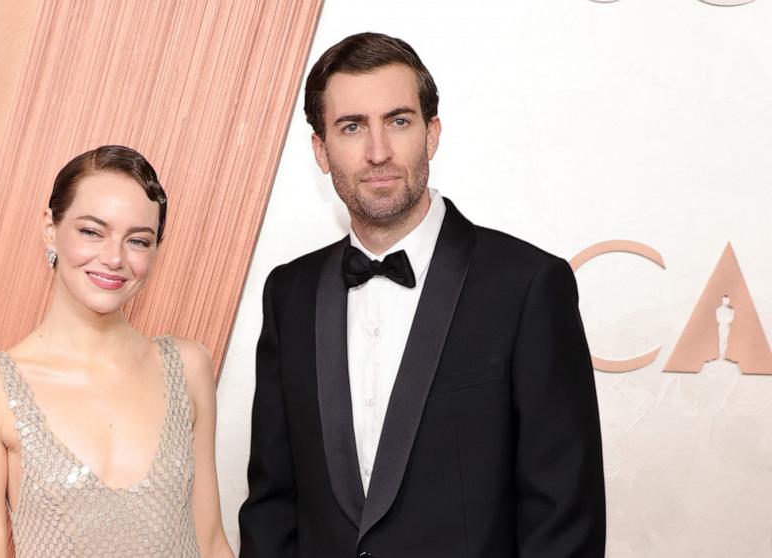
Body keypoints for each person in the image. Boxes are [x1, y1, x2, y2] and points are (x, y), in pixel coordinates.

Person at [239, 33, 606, 557]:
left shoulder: (527, 284)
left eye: (399, 120)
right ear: (321, 149)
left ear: (432, 134)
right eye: (351, 127)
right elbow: (272, 504)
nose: (378, 152)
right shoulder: (288, 293)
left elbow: (564, 516)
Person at [0, 145, 233, 557]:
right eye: (91, 231)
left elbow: (210, 542)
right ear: (51, 228)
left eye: (137, 240)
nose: (114, 258)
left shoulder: (188, 367)